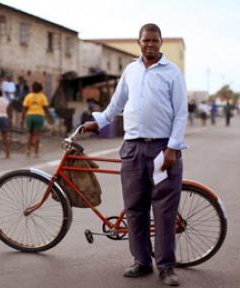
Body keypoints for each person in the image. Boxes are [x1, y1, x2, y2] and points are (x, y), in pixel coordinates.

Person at [83, 23, 187, 287]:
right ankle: (141, 261)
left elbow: (181, 113)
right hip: (132, 149)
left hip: (162, 149)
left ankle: (166, 267)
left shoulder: (172, 72)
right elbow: (116, 103)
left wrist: (173, 147)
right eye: (146, 41)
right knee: (135, 209)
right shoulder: (130, 70)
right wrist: (100, 122)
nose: (150, 45)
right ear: (138, 43)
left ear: (161, 42)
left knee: (164, 210)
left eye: (155, 41)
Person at [22, 81, 49, 158]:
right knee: (36, 135)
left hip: (30, 116)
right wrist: (50, 117)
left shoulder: (28, 96)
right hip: (39, 116)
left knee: (30, 134)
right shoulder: (42, 96)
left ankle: (28, 151)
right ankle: (36, 153)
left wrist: (22, 118)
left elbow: (24, 108)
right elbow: (46, 108)